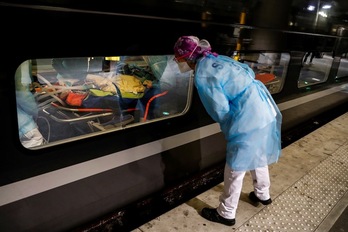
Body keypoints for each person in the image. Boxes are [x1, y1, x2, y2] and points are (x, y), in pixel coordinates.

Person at [173, 36, 282, 226]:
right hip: (263, 108)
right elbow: (248, 73)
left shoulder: (203, 74)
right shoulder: (216, 59)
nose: (178, 63)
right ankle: (262, 194)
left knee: (236, 165)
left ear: (187, 58)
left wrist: (230, 128)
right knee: (259, 153)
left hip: (248, 118)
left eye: (179, 60)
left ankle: (226, 212)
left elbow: (219, 108)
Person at [16, 60, 44, 148]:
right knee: (36, 138)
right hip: (24, 127)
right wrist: (35, 113)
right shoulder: (23, 63)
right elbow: (22, 92)